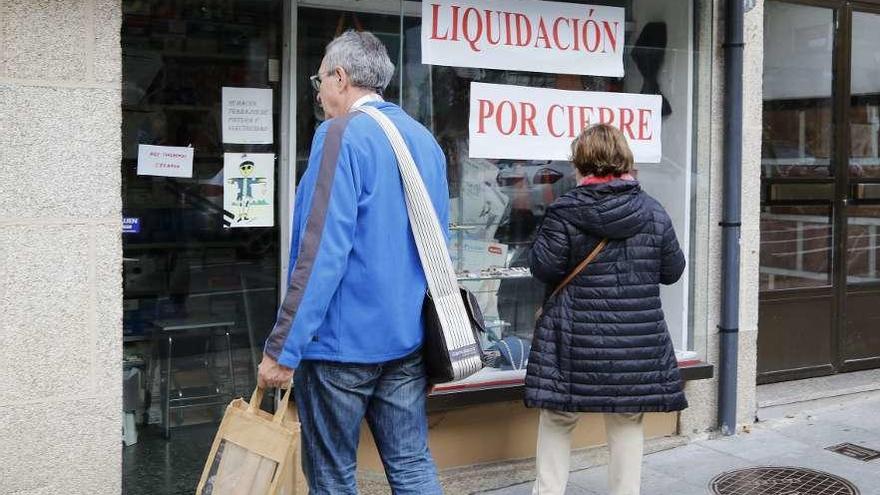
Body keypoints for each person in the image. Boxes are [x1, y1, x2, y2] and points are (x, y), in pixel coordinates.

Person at [257, 30, 447, 495]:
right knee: (412, 464)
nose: (318, 92)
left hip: (342, 346)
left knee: (332, 475)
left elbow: (320, 250)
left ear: (340, 78)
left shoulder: (339, 135)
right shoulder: (423, 139)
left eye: (319, 80)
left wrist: (284, 348)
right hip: (405, 340)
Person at [524, 124, 688, 495]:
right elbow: (673, 271)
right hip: (634, 342)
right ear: (625, 160)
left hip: (574, 338)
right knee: (627, 419)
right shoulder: (653, 211)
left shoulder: (564, 211)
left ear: (580, 164)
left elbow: (543, 269)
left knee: (559, 416)